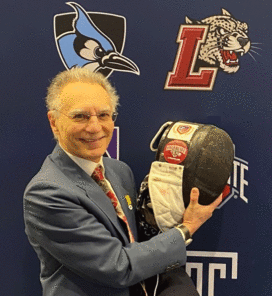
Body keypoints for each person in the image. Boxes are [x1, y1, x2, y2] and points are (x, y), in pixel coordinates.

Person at [24, 68, 222, 296]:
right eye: (80, 116)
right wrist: (187, 228)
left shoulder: (119, 171)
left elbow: (136, 241)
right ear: (54, 122)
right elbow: (118, 266)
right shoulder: (46, 193)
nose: (95, 127)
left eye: (104, 115)